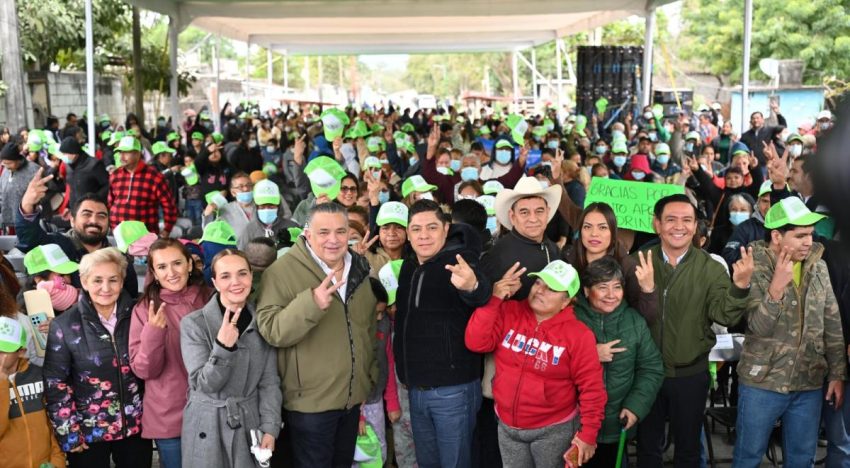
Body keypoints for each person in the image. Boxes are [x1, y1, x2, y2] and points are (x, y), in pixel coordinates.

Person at [636, 194, 754, 468]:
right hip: (646, 375)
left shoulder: (710, 268)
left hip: (691, 375)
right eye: (671, 219)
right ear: (657, 224)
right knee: (647, 449)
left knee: (688, 451)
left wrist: (740, 286)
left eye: (687, 220)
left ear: (696, 225)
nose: (679, 226)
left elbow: (723, 313)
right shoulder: (639, 262)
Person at [256, 202, 378, 467]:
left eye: (340, 231)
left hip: (351, 399)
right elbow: (271, 330)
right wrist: (311, 303)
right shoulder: (282, 271)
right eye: (324, 232)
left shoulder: (358, 268)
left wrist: (368, 379)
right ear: (307, 234)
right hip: (309, 406)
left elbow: (367, 328)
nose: (333, 240)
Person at [733, 197, 847, 467]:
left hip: (808, 384)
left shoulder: (818, 265)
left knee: (801, 460)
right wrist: (776, 289)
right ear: (776, 236)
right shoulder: (752, 266)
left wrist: (837, 374)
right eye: (800, 235)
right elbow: (757, 327)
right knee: (748, 458)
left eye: (810, 234)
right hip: (762, 384)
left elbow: (832, 323)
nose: (809, 241)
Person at [465, 260, 606, 468]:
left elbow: (592, 388)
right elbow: (476, 343)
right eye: (539, 283)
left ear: (567, 301)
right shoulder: (510, 311)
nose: (540, 291)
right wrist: (494, 300)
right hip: (507, 426)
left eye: (552, 289)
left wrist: (588, 435)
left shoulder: (579, 335)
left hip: (553, 430)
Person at [394, 199, 492, 468]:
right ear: (408, 233)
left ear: (446, 229)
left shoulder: (460, 260)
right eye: (416, 229)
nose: (424, 235)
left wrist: (472, 286)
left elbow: (480, 292)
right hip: (416, 389)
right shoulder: (408, 267)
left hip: (453, 391)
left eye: (431, 227)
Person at [43, 248, 152, 467]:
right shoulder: (64, 325)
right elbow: (56, 384)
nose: (106, 288)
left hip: (136, 427)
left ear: (122, 282)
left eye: (113, 279)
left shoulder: (140, 315)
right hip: (87, 431)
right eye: (97, 280)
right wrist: (69, 434)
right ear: (83, 281)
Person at [180, 249, 282, 468]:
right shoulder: (194, 324)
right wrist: (223, 347)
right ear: (215, 282)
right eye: (225, 276)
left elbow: (269, 382)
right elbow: (204, 384)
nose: (235, 282)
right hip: (207, 422)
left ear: (251, 277)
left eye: (242, 273)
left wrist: (270, 427)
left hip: (249, 421)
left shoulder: (262, 321)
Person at [573, 257, 664, 467]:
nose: (611, 295)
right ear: (586, 291)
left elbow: (651, 368)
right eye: (602, 287)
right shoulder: (571, 318)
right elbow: (551, 363)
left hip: (618, 427)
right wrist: (590, 355)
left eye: (617, 287)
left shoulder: (634, 320)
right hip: (576, 427)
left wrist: (635, 406)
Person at [128, 239, 212, 468]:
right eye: (162, 267)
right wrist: (154, 332)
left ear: (189, 264)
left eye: (177, 263)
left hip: (212, 410)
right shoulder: (144, 308)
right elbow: (144, 369)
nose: (171, 272)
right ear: (154, 273)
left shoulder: (211, 298)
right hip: (169, 415)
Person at [17, 172, 138, 298]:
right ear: (72, 221)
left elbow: (130, 300)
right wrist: (27, 205)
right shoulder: (55, 247)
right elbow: (28, 240)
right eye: (86, 214)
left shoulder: (119, 259)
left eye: (101, 216)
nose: (94, 221)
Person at [562, 202, 659, 323]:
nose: (594, 233)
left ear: (613, 232)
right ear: (580, 231)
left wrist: (648, 290)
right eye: (587, 227)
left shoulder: (627, 266)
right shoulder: (567, 259)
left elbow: (646, 318)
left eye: (602, 227)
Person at [0, 315, 66, 468]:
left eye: (3, 351)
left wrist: (57, 462)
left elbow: (53, 423)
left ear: (21, 351)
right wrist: (2, 382)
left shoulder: (39, 376)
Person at [481, 176, 561, 301]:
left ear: (548, 213)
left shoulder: (553, 248)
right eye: (524, 212)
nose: (533, 219)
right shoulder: (496, 255)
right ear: (512, 217)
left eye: (539, 211)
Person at [108, 135, 177, 236]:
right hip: (118, 235)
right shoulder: (115, 175)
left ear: (137, 154)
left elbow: (169, 205)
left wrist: (167, 230)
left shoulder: (154, 176)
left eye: (126, 152)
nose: (122, 156)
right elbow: (110, 203)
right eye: (120, 152)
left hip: (144, 236)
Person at [237, 180, 298, 250]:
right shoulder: (249, 230)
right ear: (256, 207)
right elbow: (241, 253)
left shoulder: (292, 227)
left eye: (271, 206)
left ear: (278, 206)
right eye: (262, 206)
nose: (267, 209)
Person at [0, 141, 41, 233]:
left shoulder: (33, 170)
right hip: (9, 220)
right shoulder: (6, 170)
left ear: (17, 159)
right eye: (4, 163)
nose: (6, 166)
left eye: (9, 163)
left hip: (28, 219)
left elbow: (43, 194)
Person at [59, 136, 109, 209]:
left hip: (92, 209)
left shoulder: (94, 165)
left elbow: (107, 185)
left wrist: (94, 199)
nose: (63, 157)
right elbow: (72, 189)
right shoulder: (68, 166)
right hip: (76, 209)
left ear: (74, 153)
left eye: (65, 154)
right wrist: (68, 207)